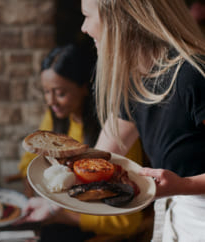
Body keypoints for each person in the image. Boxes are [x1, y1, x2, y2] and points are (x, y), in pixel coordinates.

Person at [78, 0, 204, 241]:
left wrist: (184, 184)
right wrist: (51, 201)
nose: (83, 27)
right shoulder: (138, 80)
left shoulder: (193, 76)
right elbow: (98, 158)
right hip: (178, 218)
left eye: (87, 15)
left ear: (121, 19)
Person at [17, 44, 146, 241]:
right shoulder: (56, 116)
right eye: (46, 92)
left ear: (85, 87)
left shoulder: (115, 133)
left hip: (94, 228)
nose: (51, 102)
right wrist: (34, 196)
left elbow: (126, 221)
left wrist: (58, 213)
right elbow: (28, 161)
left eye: (60, 93)